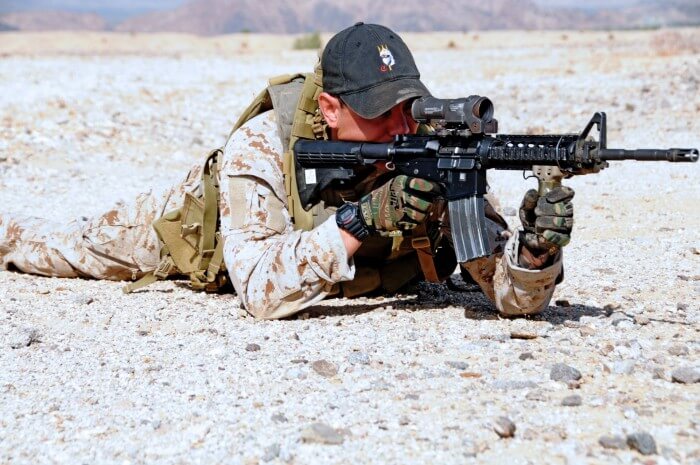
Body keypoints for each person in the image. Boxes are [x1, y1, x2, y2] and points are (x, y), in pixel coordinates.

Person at [0, 23, 573, 319]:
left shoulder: (430, 146)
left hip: (290, 245)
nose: (402, 125)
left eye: (408, 106)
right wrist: (365, 219)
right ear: (330, 109)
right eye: (380, 113)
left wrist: (535, 257)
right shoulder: (264, 142)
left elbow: (506, 295)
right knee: (59, 246)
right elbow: (259, 292)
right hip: (195, 232)